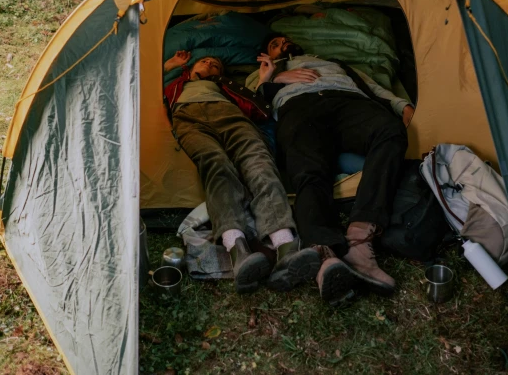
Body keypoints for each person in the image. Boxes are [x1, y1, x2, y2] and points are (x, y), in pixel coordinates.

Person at [246, 34, 414, 303]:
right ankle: (324, 257)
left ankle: (360, 241)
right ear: (268, 54)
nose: (282, 45)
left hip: (348, 102)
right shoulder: (264, 72)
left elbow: (370, 86)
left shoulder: (335, 63)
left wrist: (401, 104)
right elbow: (254, 108)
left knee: (390, 131)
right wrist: (271, 80)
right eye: (274, 45)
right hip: (299, 107)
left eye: (284, 40)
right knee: (308, 171)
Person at [163, 50, 320, 293]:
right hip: (188, 117)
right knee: (215, 164)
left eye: (215, 64)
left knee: (258, 161)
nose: (210, 62)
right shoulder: (175, 83)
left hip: (230, 114)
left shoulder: (228, 87)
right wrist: (170, 65)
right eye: (205, 61)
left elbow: (259, 108)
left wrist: (264, 79)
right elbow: (140, 83)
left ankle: (286, 246)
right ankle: (237, 250)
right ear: (191, 68)